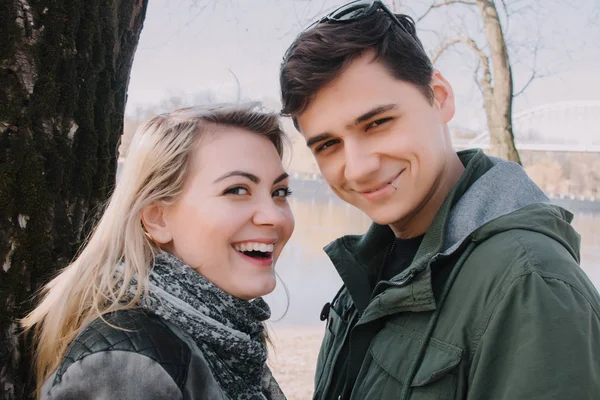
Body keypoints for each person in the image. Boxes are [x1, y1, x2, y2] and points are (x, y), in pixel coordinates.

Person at [279, 1, 600, 399]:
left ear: (440, 97)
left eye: (377, 123)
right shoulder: (375, 267)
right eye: (329, 144)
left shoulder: (529, 284)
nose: (358, 168)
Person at [22, 102, 294, 400]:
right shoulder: (124, 367)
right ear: (158, 218)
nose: (275, 216)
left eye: (279, 192)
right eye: (237, 190)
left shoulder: (229, 337)